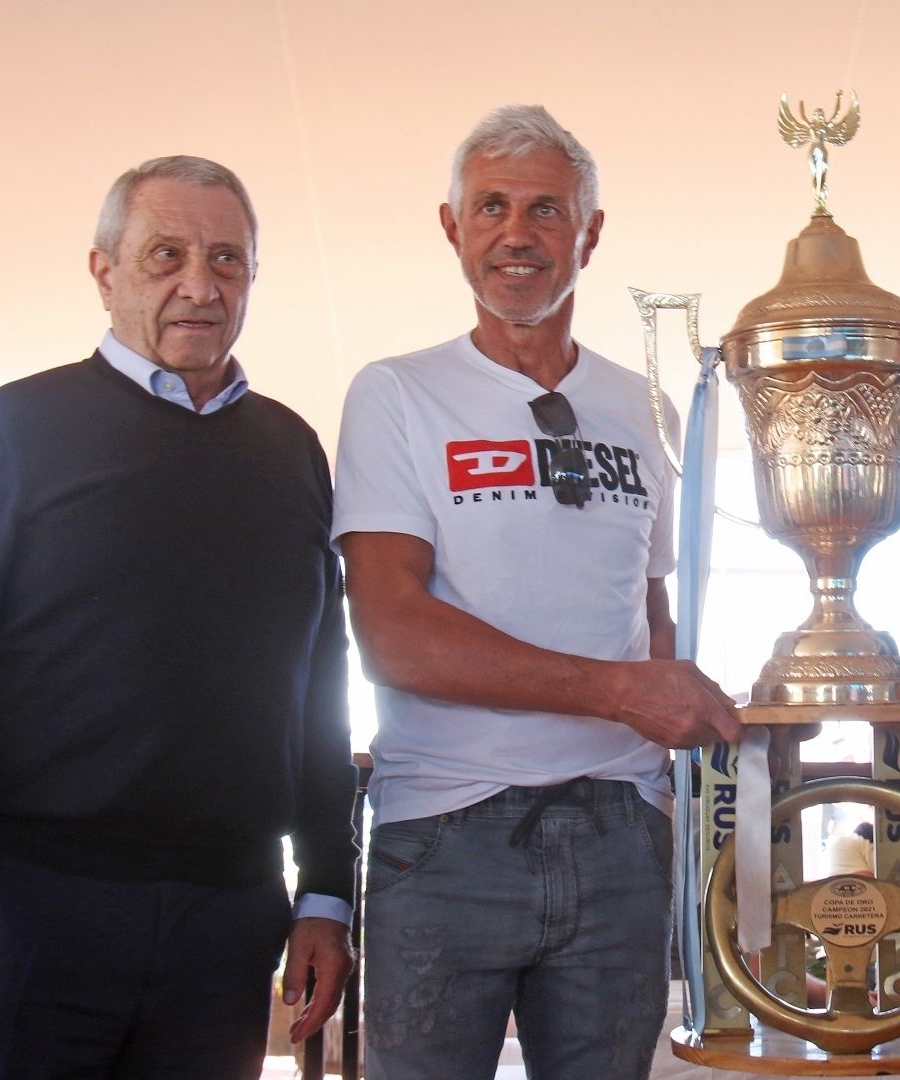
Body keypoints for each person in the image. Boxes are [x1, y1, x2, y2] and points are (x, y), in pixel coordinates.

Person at [0, 156, 356, 1076]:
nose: (199, 285)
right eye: (165, 255)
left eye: (227, 260)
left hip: (227, 920)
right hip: (29, 911)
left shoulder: (292, 451)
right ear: (104, 271)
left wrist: (327, 892)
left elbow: (318, 684)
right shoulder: (11, 429)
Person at [333, 104, 741, 1080]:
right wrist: (617, 692)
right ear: (453, 228)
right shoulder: (394, 392)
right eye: (492, 208)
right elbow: (393, 634)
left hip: (620, 829)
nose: (517, 234)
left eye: (547, 211)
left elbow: (648, 615)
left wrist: (724, 735)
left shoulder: (638, 402)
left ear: (589, 233)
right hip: (443, 831)